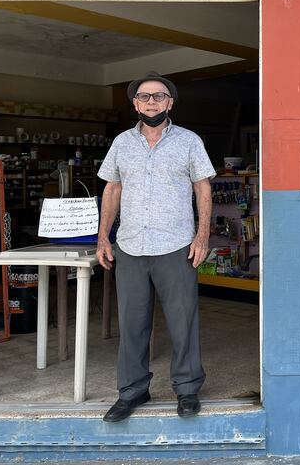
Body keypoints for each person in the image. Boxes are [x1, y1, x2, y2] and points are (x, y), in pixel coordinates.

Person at [96, 71, 214, 422]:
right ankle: (133, 391)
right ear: (135, 103)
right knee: (132, 323)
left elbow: (203, 188)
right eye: (145, 96)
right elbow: (112, 189)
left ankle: (188, 389)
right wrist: (103, 236)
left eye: (159, 96)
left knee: (183, 321)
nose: (151, 101)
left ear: (170, 102)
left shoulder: (189, 141)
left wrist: (202, 236)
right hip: (130, 246)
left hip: (176, 245)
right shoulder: (121, 143)